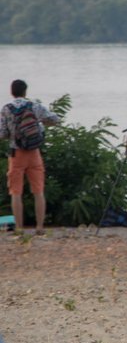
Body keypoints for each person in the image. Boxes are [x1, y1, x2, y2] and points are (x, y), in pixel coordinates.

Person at [0, 79, 60, 235]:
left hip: (16, 153)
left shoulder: (6, 109)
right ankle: (40, 227)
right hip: (34, 152)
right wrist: (39, 126)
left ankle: (19, 229)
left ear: (12, 92)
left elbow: (3, 133)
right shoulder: (34, 106)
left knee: (16, 192)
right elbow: (55, 119)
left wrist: (14, 135)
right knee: (38, 191)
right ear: (25, 92)